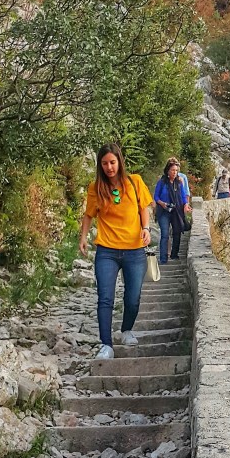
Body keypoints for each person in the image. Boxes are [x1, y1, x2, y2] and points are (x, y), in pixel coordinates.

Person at [79, 143, 152, 360]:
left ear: (119, 161)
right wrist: (83, 237)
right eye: (104, 163)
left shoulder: (135, 182)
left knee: (133, 297)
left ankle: (126, 330)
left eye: (112, 162)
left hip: (134, 250)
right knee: (105, 298)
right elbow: (89, 215)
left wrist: (146, 228)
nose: (109, 167)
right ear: (100, 166)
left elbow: (144, 208)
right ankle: (106, 345)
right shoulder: (96, 188)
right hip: (107, 251)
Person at [154, 157, 191, 264]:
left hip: (176, 211)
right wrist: (162, 203)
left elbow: (183, 196)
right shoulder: (162, 182)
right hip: (164, 211)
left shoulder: (179, 183)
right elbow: (156, 196)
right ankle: (163, 258)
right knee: (165, 234)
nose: (174, 173)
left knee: (177, 232)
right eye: (173, 170)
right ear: (168, 171)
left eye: (176, 171)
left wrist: (185, 205)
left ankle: (174, 255)